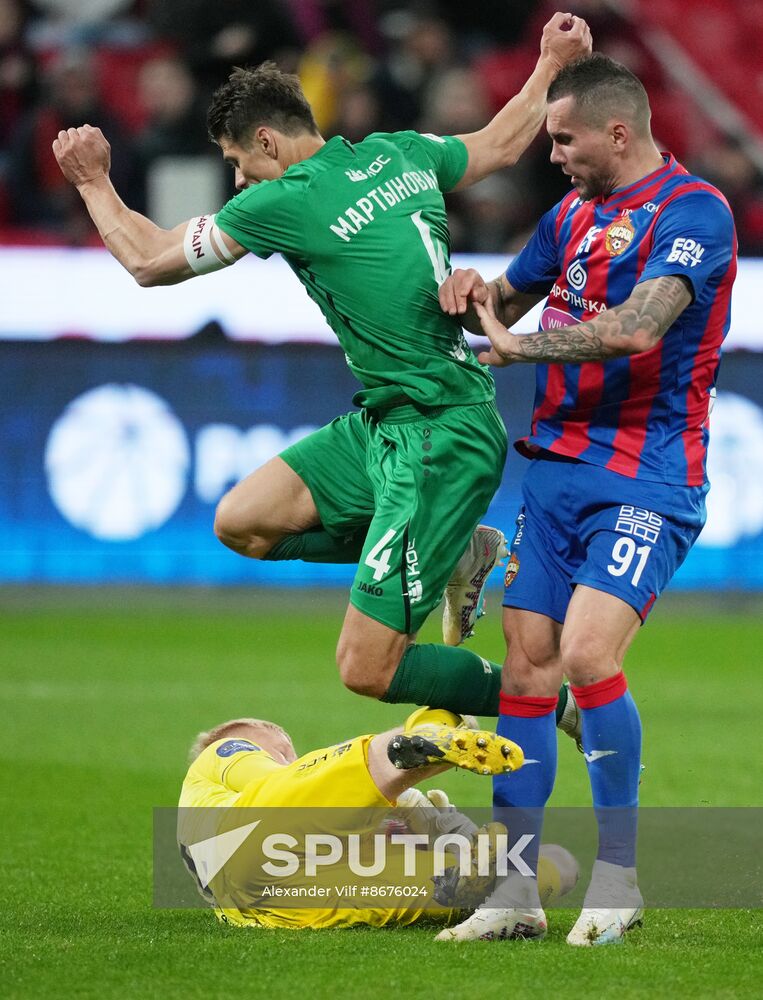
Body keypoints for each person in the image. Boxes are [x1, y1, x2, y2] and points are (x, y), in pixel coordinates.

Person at [51, 15, 591, 721]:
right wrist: (549, 63)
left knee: (366, 667)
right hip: (385, 424)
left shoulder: (285, 199)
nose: (238, 179)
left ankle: (541, 700)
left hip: (440, 437)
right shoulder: (401, 152)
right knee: (242, 521)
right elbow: (499, 141)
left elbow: (150, 260)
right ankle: (451, 550)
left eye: (238, 161)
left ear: (268, 142)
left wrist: (93, 181)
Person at [436, 53, 737, 946]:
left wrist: (516, 349)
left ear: (617, 131)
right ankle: (513, 893)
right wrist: (467, 291)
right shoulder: (568, 214)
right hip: (555, 474)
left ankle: (617, 879)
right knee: (526, 669)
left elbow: (639, 327)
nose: (551, 151)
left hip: (647, 475)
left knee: (588, 656)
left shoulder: (693, 212)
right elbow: (502, 296)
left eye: (562, 137)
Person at [177, 708, 579, 930]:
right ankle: (423, 736)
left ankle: (475, 886)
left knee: (556, 864)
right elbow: (275, 785)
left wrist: (457, 837)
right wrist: (398, 804)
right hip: (244, 840)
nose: (289, 750)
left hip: (286, 905)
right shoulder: (222, 754)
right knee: (311, 788)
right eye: (279, 744)